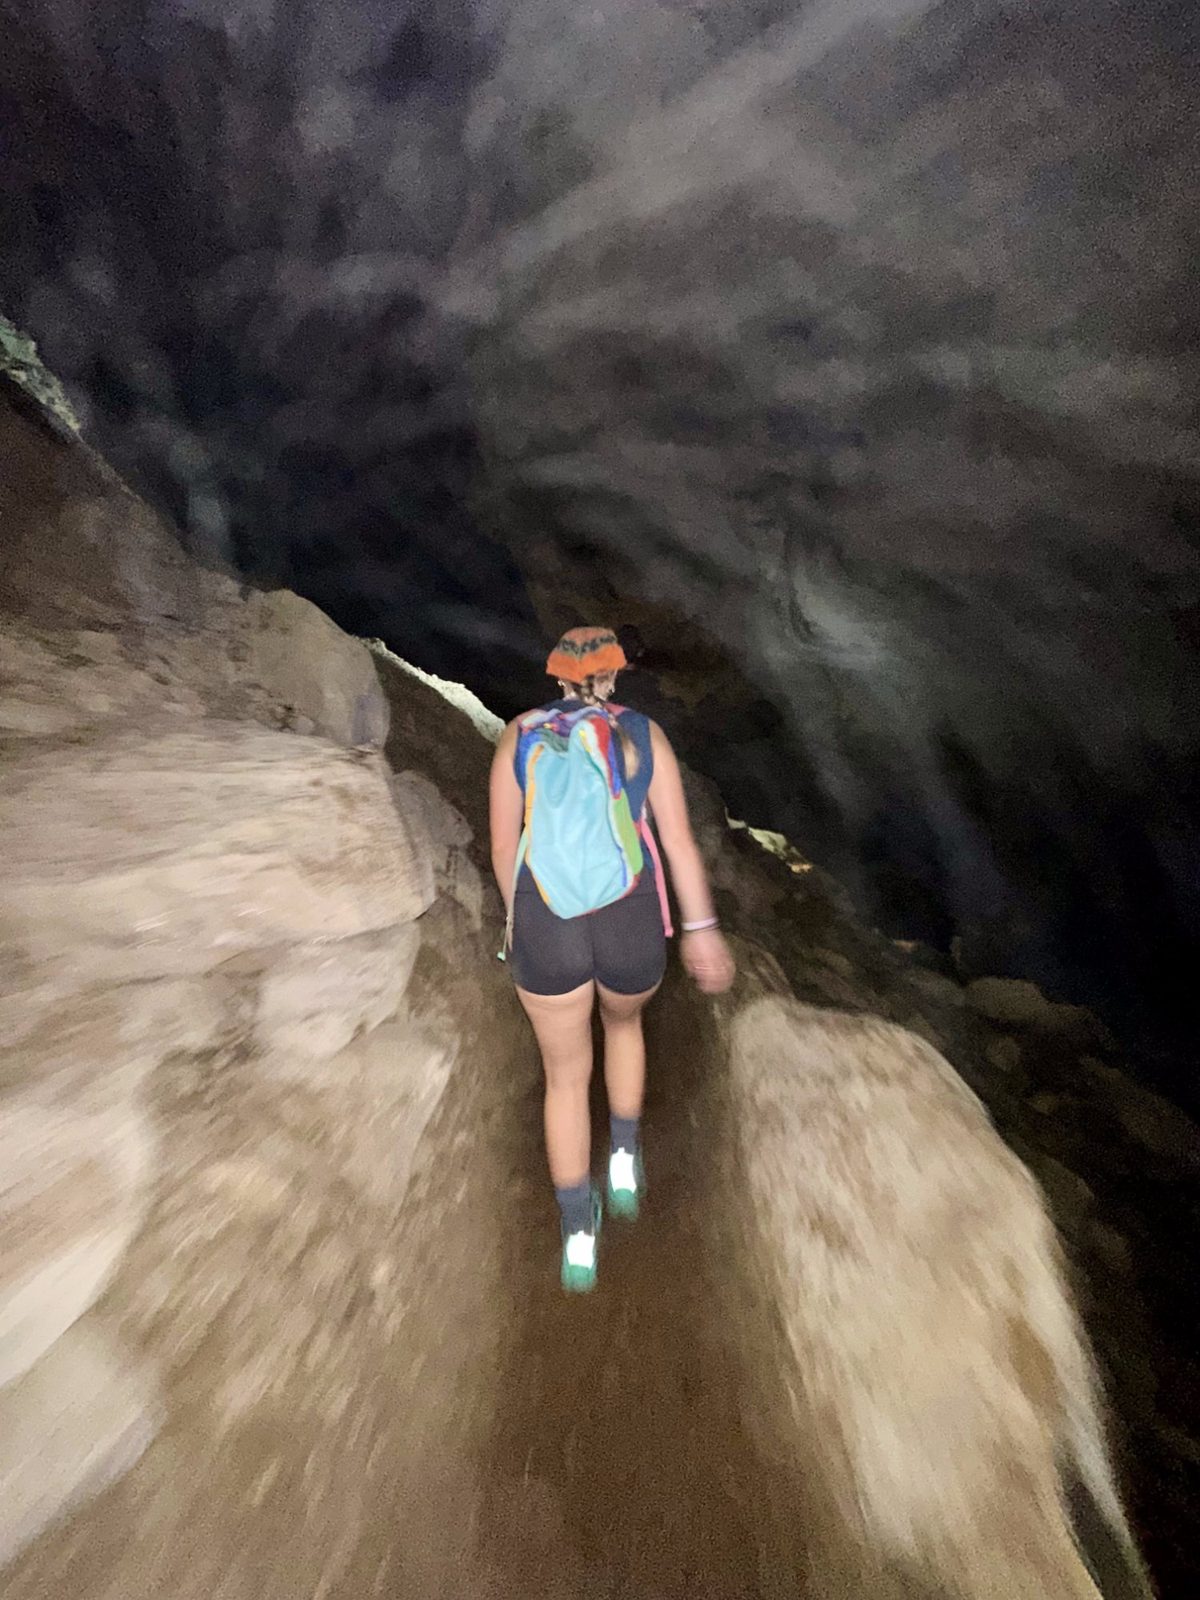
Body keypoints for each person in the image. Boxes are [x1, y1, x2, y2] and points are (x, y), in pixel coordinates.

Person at [489, 625, 736, 1292]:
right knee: (624, 1026)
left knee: (565, 1076)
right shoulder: (645, 737)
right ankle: (624, 1158)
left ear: (558, 677)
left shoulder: (519, 737)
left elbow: (505, 853)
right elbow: (679, 846)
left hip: (548, 921)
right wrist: (701, 930)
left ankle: (576, 1231)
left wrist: (520, 926)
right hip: (629, 916)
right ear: (613, 676)